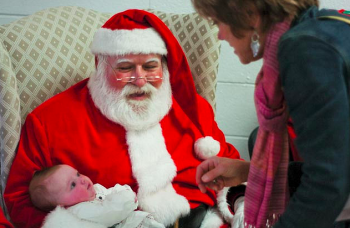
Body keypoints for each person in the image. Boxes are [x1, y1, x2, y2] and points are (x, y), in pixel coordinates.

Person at [4, 9, 244, 228]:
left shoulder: (193, 108)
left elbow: (232, 168)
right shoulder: (49, 121)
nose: (139, 80)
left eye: (150, 67)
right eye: (125, 68)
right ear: (101, 67)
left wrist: (241, 205)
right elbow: (20, 200)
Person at [192, 0, 350, 228]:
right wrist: (248, 171)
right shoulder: (323, 29)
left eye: (219, 22)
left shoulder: (305, 50)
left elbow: (328, 184)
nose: (220, 36)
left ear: (248, 13)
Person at [29, 164, 165, 228]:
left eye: (77, 174)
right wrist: (127, 198)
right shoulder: (77, 212)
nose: (81, 180)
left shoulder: (96, 189)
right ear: (62, 205)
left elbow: (114, 191)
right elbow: (112, 211)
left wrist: (123, 191)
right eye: (72, 185)